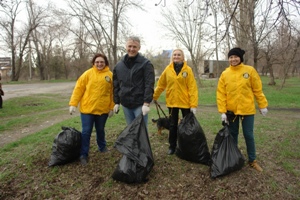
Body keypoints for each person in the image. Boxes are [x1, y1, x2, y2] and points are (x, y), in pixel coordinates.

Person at [216, 47, 268, 172]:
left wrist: (262, 105)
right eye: (231, 57)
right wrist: (222, 111)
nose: (233, 59)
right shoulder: (225, 74)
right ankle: (233, 159)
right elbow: (221, 93)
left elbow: (257, 89)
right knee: (233, 135)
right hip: (231, 111)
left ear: (240, 58)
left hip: (247, 110)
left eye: (235, 57)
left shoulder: (249, 71)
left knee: (248, 135)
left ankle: (252, 160)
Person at [69, 53, 114, 165]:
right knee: (86, 132)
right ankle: (84, 154)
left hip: (102, 110)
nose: (99, 64)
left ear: (105, 63)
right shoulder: (87, 74)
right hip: (87, 110)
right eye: (97, 62)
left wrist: (112, 107)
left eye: (102, 62)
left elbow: (113, 93)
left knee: (100, 130)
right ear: (94, 63)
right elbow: (78, 89)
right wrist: (73, 104)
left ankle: (102, 147)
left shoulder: (110, 75)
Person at [153, 49, 198, 155]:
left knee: (187, 125)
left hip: (185, 103)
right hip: (172, 103)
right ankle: (172, 146)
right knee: (173, 125)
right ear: (172, 57)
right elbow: (161, 85)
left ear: (182, 57)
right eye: (174, 55)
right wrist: (154, 96)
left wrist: (193, 105)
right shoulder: (168, 69)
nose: (176, 56)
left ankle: (187, 145)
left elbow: (192, 88)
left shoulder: (188, 70)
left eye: (179, 55)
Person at [113, 36, 155, 126]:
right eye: (130, 46)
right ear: (126, 47)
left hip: (140, 104)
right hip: (126, 104)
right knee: (130, 129)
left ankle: (142, 141)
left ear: (139, 48)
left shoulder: (146, 64)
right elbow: (116, 85)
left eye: (134, 47)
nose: (132, 49)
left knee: (141, 131)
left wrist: (146, 103)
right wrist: (116, 102)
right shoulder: (119, 65)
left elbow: (149, 84)